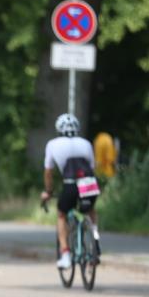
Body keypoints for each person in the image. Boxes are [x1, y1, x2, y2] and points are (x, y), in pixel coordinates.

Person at [40, 113, 101, 270]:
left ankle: (66, 255)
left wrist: (48, 191)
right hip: (89, 184)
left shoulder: (52, 144)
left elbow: (48, 172)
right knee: (90, 210)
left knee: (61, 214)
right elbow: (92, 168)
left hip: (70, 184)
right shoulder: (86, 143)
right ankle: (95, 241)